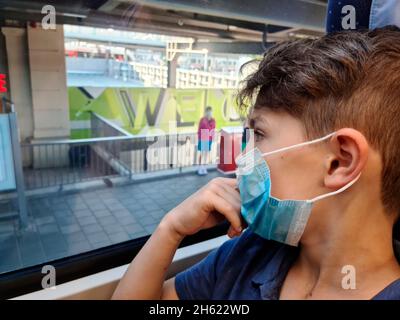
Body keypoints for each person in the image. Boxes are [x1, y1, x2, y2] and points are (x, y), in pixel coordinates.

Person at [112, 27, 400, 300]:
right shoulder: (246, 255)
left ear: (340, 162)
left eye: (259, 134)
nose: (242, 157)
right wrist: (170, 229)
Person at [196, 106, 216, 175]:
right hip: (203, 137)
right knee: (202, 153)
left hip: (209, 138)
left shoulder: (213, 120)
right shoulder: (203, 120)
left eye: (210, 111)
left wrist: (212, 137)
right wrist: (199, 138)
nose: (209, 113)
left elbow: (212, 129)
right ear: (206, 112)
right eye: (208, 111)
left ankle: (204, 167)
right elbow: (200, 129)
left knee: (206, 154)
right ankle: (200, 167)